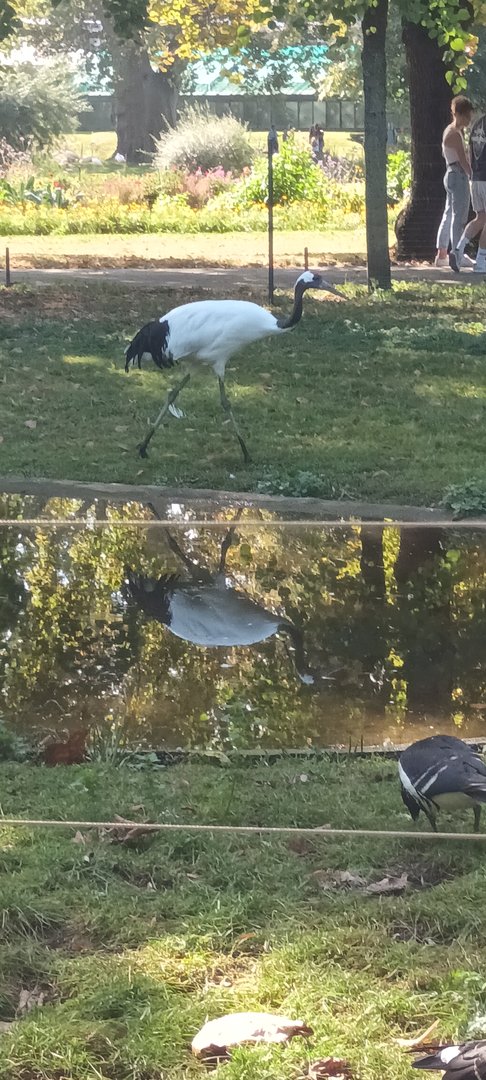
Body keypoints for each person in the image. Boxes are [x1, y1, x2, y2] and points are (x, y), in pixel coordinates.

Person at [435, 94, 473, 269]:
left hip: (450, 173)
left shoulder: (449, 131)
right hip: (458, 175)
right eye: (467, 115)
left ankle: (442, 252)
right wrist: (472, 176)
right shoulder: (455, 135)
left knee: (448, 213)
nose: (469, 119)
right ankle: (457, 252)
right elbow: (463, 160)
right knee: (460, 216)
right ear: (458, 114)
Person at [450, 107, 486, 272]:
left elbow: (470, 152)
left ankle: (458, 248)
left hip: (476, 178)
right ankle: (481, 259)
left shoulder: (477, 124)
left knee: (480, 218)